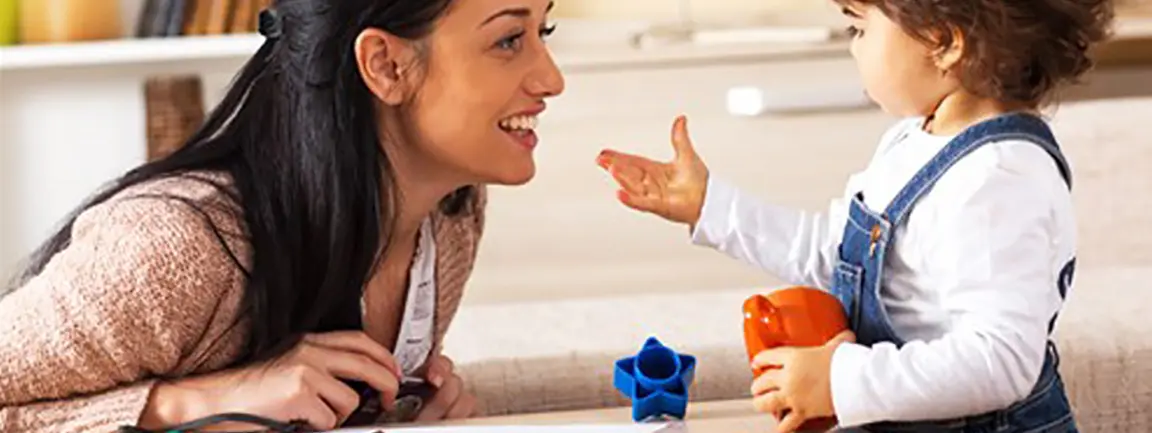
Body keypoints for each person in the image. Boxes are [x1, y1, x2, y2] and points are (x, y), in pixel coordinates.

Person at [0, 0, 564, 431]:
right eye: (510, 40)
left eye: (545, 31)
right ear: (385, 65)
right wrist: (184, 406)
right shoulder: (179, 247)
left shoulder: (450, 214)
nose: (552, 79)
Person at [595, 0, 1113, 432]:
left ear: (943, 42)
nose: (853, 46)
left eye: (858, 27)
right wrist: (709, 205)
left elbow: (999, 362)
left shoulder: (998, 178)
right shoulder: (916, 139)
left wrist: (842, 380)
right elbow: (837, 252)